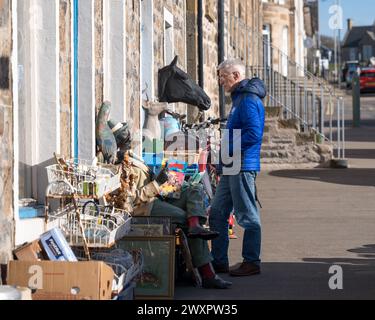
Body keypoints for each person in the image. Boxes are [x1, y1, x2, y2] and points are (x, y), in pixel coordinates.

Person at [108, 139, 232, 289]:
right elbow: (130, 202)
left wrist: (165, 178)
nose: (127, 135)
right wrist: (156, 184)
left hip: (159, 195)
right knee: (185, 220)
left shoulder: (132, 156)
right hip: (146, 206)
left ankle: (195, 224)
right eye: (121, 134)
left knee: (194, 188)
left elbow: (147, 178)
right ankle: (208, 274)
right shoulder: (119, 167)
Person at [209, 59, 266, 277]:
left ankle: (251, 261)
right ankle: (219, 261)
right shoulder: (239, 98)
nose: (220, 81)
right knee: (217, 212)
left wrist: (227, 147)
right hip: (232, 164)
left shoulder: (248, 100)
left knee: (247, 215)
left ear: (236, 76)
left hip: (242, 164)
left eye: (223, 77)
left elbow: (253, 134)